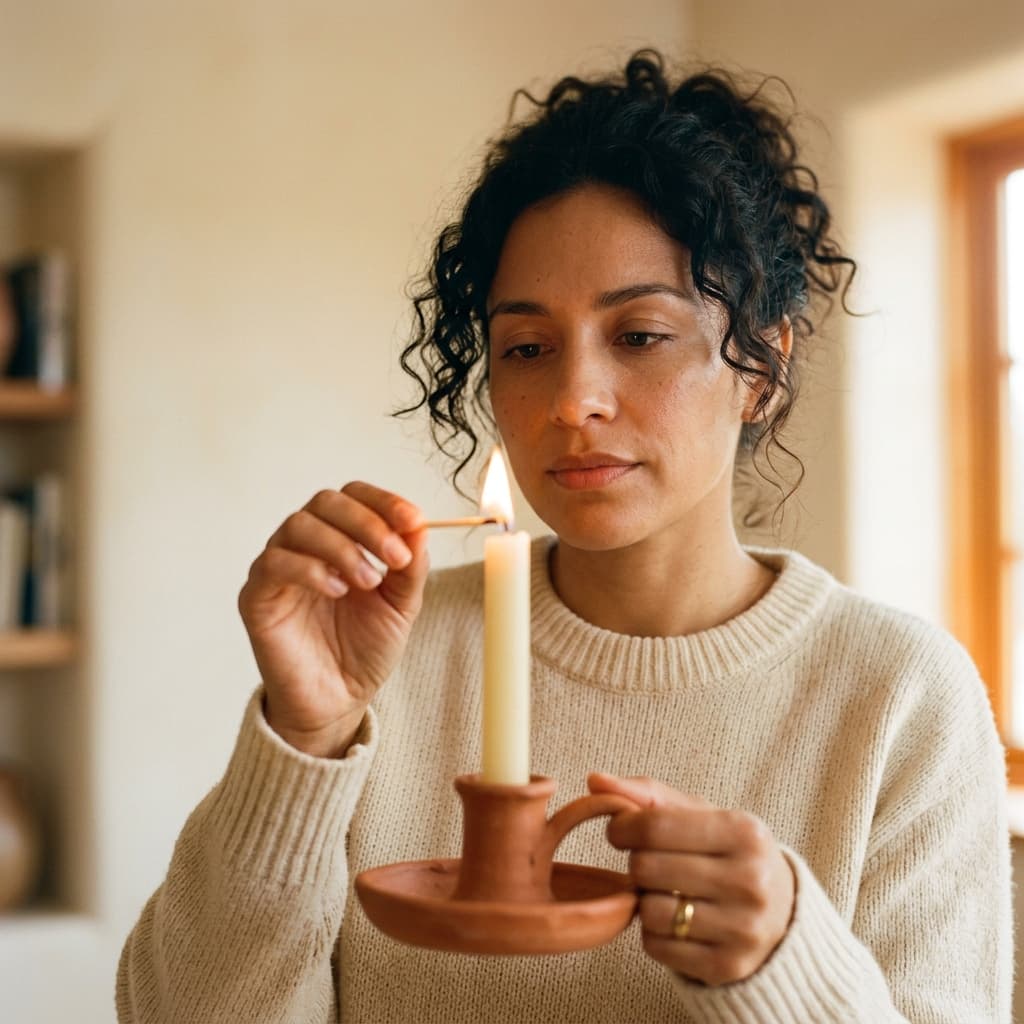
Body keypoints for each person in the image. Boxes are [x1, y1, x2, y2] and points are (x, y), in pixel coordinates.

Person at [116, 50, 1012, 1023]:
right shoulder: (386, 663)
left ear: (760, 363)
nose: (573, 401)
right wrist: (304, 738)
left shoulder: (900, 696)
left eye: (637, 336)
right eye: (528, 348)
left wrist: (784, 958)